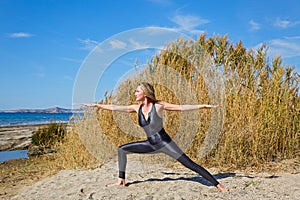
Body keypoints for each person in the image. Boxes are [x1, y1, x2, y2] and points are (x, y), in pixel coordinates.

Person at [83, 82, 227, 192]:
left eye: (137, 91)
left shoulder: (158, 105)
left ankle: (219, 185)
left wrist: (203, 106)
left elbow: (181, 107)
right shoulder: (136, 108)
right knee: (122, 149)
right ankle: (121, 180)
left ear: (145, 93)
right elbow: (116, 108)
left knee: (189, 164)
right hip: (150, 144)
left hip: (165, 143)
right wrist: (97, 105)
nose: (135, 93)